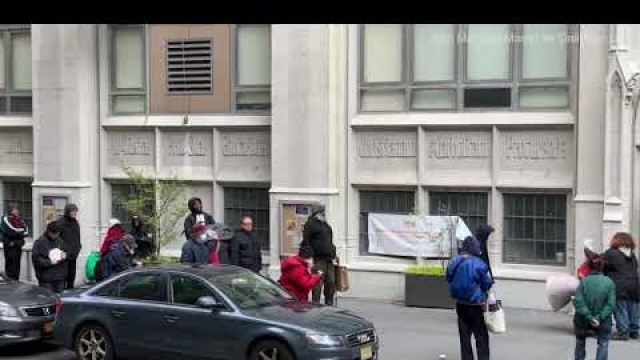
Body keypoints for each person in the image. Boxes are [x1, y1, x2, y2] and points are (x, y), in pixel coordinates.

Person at [446, 236, 493, 360]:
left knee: (464, 335)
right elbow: (486, 283)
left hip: (460, 304)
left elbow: (449, 278)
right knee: (481, 335)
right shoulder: (479, 264)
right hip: (476, 304)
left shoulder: (453, 261)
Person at [574, 256, 616, 360]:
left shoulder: (583, 282)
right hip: (603, 321)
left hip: (582, 320)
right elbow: (610, 304)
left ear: (589, 267)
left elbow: (578, 302)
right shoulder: (609, 282)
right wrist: (598, 318)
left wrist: (589, 317)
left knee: (580, 342)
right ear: (602, 268)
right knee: (603, 343)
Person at [602, 232, 640, 340]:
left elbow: (599, 260)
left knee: (620, 307)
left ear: (616, 241)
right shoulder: (632, 254)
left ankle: (623, 332)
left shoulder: (611, 253)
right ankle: (634, 331)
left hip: (619, 284)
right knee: (633, 307)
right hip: (635, 284)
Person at [301, 204, 336, 306]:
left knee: (331, 282)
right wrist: (309, 258)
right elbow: (306, 242)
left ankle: (329, 304)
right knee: (317, 283)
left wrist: (334, 252)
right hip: (318, 260)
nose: (324, 213)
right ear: (316, 213)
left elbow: (329, 241)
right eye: (322, 211)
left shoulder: (325, 224)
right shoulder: (310, 224)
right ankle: (315, 305)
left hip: (329, 259)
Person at [32, 222, 68, 293]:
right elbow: (36, 260)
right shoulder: (40, 242)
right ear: (49, 232)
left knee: (59, 300)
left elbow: (66, 251)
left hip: (59, 277)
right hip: (46, 279)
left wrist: (65, 255)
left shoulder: (60, 241)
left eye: (58, 233)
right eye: (55, 234)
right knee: (48, 299)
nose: (57, 235)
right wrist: (50, 262)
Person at [0, 203, 28, 280]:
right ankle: (10, 284)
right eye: (15, 209)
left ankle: (16, 282)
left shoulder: (19, 220)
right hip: (10, 247)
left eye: (17, 209)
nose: (17, 211)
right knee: (11, 267)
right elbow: (13, 231)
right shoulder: (5, 220)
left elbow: (26, 231)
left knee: (17, 267)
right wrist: (20, 234)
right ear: (10, 211)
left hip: (17, 246)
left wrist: (18, 238)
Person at [56, 204, 81, 289]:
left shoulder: (75, 222)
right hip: (63, 255)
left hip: (73, 255)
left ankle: (70, 296)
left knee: (71, 277)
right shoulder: (60, 222)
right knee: (62, 277)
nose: (75, 213)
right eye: (73, 211)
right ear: (68, 212)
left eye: (75, 211)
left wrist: (78, 248)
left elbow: (77, 237)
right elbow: (56, 238)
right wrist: (62, 251)